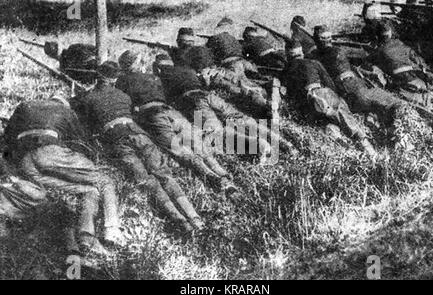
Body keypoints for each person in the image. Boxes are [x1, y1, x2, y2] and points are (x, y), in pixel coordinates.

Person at [74, 61, 204, 233]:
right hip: (139, 134)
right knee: (164, 174)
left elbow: (87, 125)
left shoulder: (88, 98)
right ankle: (194, 217)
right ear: (114, 79)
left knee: (145, 180)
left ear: (98, 77)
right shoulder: (124, 96)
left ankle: (180, 221)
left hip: (117, 138)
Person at [4, 94, 124, 255]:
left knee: (89, 190)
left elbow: (7, 137)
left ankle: (86, 238)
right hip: (51, 153)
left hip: (25, 162)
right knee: (105, 181)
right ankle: (113, 230)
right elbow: (81, 144)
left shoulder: (25, 105)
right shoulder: (65, 110)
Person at [116, 51, 238, 193]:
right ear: (138, 63)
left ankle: (214, 178)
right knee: (196, 140)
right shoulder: (153, 77)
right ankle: (222, 173)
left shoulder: (122, 81)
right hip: (171, 111)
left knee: (179, 150)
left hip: (152, 115)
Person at [153, 54, 287, 164]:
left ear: (159, 68)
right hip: (209, 96)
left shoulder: (162, 76)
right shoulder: (187, 70)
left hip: (193, 101)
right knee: (240, 118)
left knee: (216, 132)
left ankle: (258, 145)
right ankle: (280, 141)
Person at [282, 40, 376, 158]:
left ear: (287, 54)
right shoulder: (313, 63)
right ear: (301, 52)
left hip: (307, 102)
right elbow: (329, 82)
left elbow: (290, 94)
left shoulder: (286, 71)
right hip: (323, 93)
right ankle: (369, 150)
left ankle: (342, 144)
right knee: (345, 118)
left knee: (325, 121)